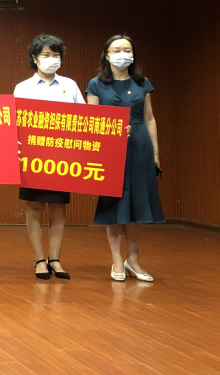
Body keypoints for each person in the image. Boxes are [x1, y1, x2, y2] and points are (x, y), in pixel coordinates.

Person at [86, 35, 163, 282]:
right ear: (107, 55)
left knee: (138, 203)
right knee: (113, 203)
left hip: (139, 146)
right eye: (117, 49)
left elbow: (149, 118)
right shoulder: (96, 84)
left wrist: (155, 153)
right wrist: (112, 132)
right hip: (110, 149)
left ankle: (133, 260)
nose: (123, 54)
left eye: (127, 49)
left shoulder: (142, 82)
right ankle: (117, 260)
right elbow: (91, 121)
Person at [13, 34, 85, 280]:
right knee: (34, 207)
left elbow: (85, 119)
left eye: (56, 55)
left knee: (58, 208)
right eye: (46, 55)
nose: (52, 59)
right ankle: (38, 259)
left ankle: (55, 258)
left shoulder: (70, 86)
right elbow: (15, 122)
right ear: (35, 58)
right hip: (33, 157)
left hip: (62, 156)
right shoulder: (23, 87)